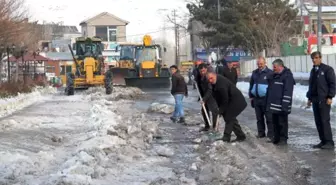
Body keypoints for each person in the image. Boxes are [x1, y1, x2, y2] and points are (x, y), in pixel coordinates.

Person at [306, 51, 336, 149]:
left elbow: (333, 84)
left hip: (324, 100)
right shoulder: (313, 71)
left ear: (320, 58)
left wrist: (330, 96)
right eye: (313, 58)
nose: (314, 60)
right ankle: (323, 140)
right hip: (315, 99)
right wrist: (309, 98)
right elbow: (312, 86)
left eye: (316, 58)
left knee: (324, 121)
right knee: (318, 121)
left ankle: (329, 142)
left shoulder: (327, 70)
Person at [207, 71, 247, 142]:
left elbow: (225, 100)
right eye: (209, 79)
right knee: (230, 118)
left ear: (215, 76)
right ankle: (241, 135)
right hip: (230, 100)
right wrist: (220, 109)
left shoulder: (221, 85)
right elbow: (217, 97)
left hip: (236, 100)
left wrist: (221, 111)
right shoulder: (214, 82)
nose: (210, 80)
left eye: (211, 78)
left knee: (229, 117)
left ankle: (226, 137)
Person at [266, 59, 295, 145]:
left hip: (282, 105)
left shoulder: (287, 76)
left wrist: (285, 104)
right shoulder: (275, 76)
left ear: (280, 66)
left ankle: (283, 139)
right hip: (275, 105)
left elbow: (288, 91)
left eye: (274, 67)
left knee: (282, 123)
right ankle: (277, 137)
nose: (273, 69)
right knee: (275, 122)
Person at [249, 56, 273, 139]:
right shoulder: (254, 73)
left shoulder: (270, 73)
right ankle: (261, 133)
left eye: (261, 64)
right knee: (259, 118)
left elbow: (273, 86)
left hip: (266, 99)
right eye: (258, 64)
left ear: (265, 63)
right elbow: (251, 84)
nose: (259, 65)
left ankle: (270, 134)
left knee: (269, 118)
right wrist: (251, 96)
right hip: (256, 99)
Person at [198, 63, 218, 131]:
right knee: (204, 111)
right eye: (201, 71)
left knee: (214, 111)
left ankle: (215, 127)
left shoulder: (209, 76)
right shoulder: (201, 76)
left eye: (203, 70)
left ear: (206, 69)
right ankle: (207, 126)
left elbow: (210, 89)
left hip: (212, 96)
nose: (202, 72)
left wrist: (204, 99)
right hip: (205, 96)